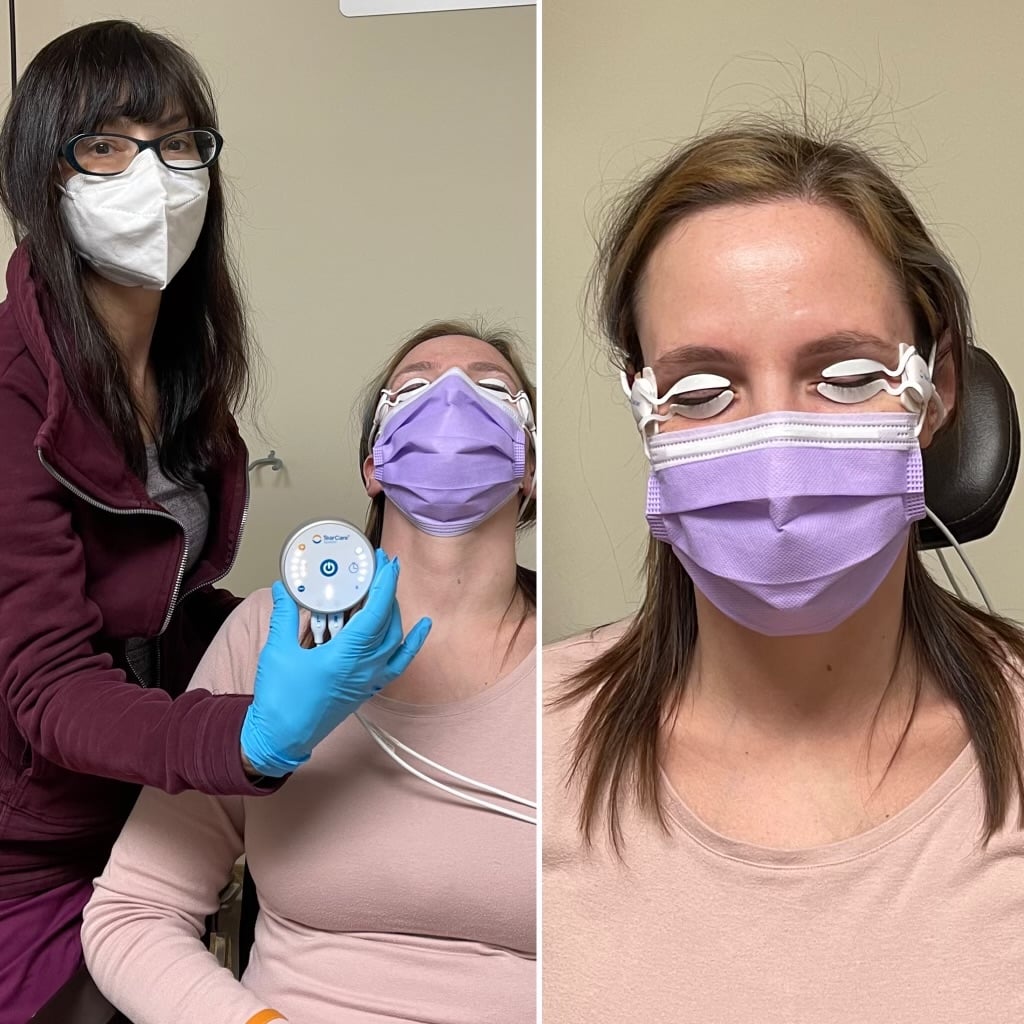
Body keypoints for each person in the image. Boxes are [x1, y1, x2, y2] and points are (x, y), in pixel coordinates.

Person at [543, 121, 1024, 1022]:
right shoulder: (528, 745)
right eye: (700, 391)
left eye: (844, 377)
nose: (775, 458)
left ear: (938, 390)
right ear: (644, 413)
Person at [0, 22, 427, 1019]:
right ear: (39, 179)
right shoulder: (12, 397)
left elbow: (155, 599)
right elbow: (46, 682)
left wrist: (273, 626)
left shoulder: (186, 376)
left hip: (139, 809)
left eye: (180, 141)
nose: (153, 175)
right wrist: (257, 731)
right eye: (105, 145)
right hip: (28, 847)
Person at [81, 322, 538, 1024]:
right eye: (413, 389)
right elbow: (132, 912)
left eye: (491, 389)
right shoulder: (271, 635)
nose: (451, 400)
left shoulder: (595, 672)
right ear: (374, 465)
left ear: (527, 462)